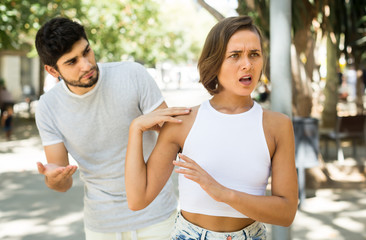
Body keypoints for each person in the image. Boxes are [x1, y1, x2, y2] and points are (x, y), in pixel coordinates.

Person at [125, 16, 298, 239]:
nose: (248, 64)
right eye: (235, 55)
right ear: (215, 62)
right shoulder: (183, 122)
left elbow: (286, 213)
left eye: (254, 54)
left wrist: (224, 194)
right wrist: (135, 129)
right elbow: (138, 199)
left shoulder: (277, 125)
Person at [34, 17, 189, 240]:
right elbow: (61, 181)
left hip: (158, 218)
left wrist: (160, 128)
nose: (86, 64)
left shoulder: (132, 74)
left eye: (87, 52)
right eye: (72, 62)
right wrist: (54, 179)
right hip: (101, 226)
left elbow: (174, 134)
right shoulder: (48, 107)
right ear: (52, 70)